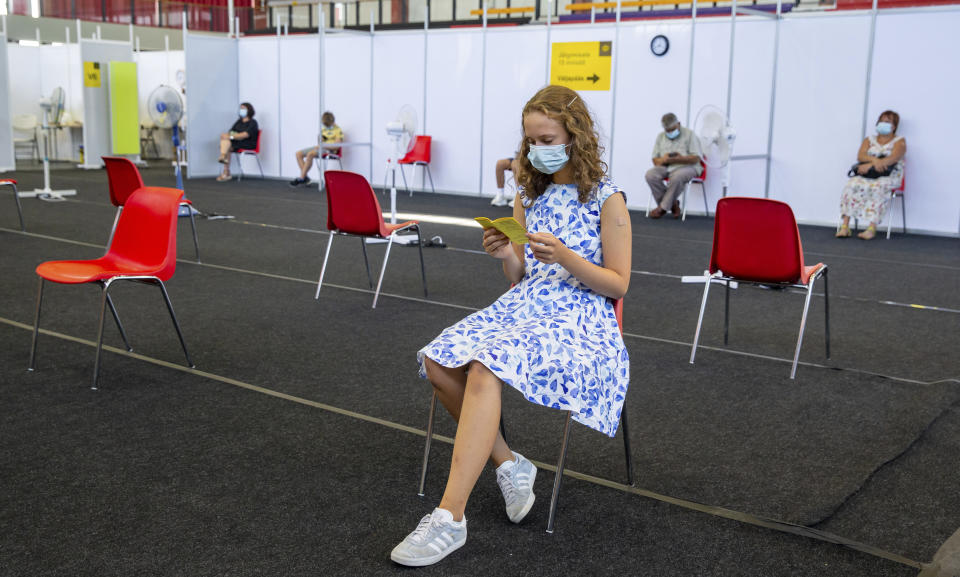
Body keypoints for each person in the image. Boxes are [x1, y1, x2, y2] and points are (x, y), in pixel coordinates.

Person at [390, 85, 632, 567]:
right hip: (524, 304)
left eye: (548, 139)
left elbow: (618, 285)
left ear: (575, 135)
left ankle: (449, 518)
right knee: (437, 360)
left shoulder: (608, 198)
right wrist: (507, 253)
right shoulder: (528, 191)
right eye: (532, 141)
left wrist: (566, 257)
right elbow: (520, 276)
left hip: (580, 316)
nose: (539, 150)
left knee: (483, 367)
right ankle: (509, 462)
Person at [836, 110, 906, 240]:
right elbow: (861, 155)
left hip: (889, 176)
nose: (883, 124)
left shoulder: (899, 141)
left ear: (894, 126)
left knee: (878, 187)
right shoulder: (869, 139)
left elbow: (894, 158)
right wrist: (875, 163)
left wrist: (870, 163)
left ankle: (871, 228)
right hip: (868, 174)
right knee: (852, 184)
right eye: (881, 121)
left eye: (887, 122)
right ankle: (845, 226)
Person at [644, 112, 703, 219]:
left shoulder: (690, 134)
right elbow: (655, 161)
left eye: (672, 129)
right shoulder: (660, 137)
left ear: (678, 124)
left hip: (688, 167)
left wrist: (681, 158)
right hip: (667, 166)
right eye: (668, 130)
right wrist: (664, 159)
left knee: (676, 176)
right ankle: (673, 204)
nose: (670, 132)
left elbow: (696, 158)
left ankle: (662, 208)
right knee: (650, 175)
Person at [290, 111, 344, 187]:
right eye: (324, 124)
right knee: (298, 154)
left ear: (332, 122)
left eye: (327, 124)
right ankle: (305, 177)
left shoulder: (338, 130)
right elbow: (319, 142)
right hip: (321, 148)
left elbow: (336, 147)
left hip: (329, 150)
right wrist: (320, 140)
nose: (325, 126)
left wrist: (323, 145)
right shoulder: (324, 129)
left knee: (310, 154)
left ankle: (301, 178)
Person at [216, 102, 259, 182]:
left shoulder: (253, 123)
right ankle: (225, 169)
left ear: (249, 110)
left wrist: (231, 136)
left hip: (247, 143)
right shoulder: (239, 122)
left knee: (227, 144)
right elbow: (231, 132)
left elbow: (245, 135)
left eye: (243, 109)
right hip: (236, 143)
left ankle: (225, 167)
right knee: (226, 141)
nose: (241, 110)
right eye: (241, 108)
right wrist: (227, 135)